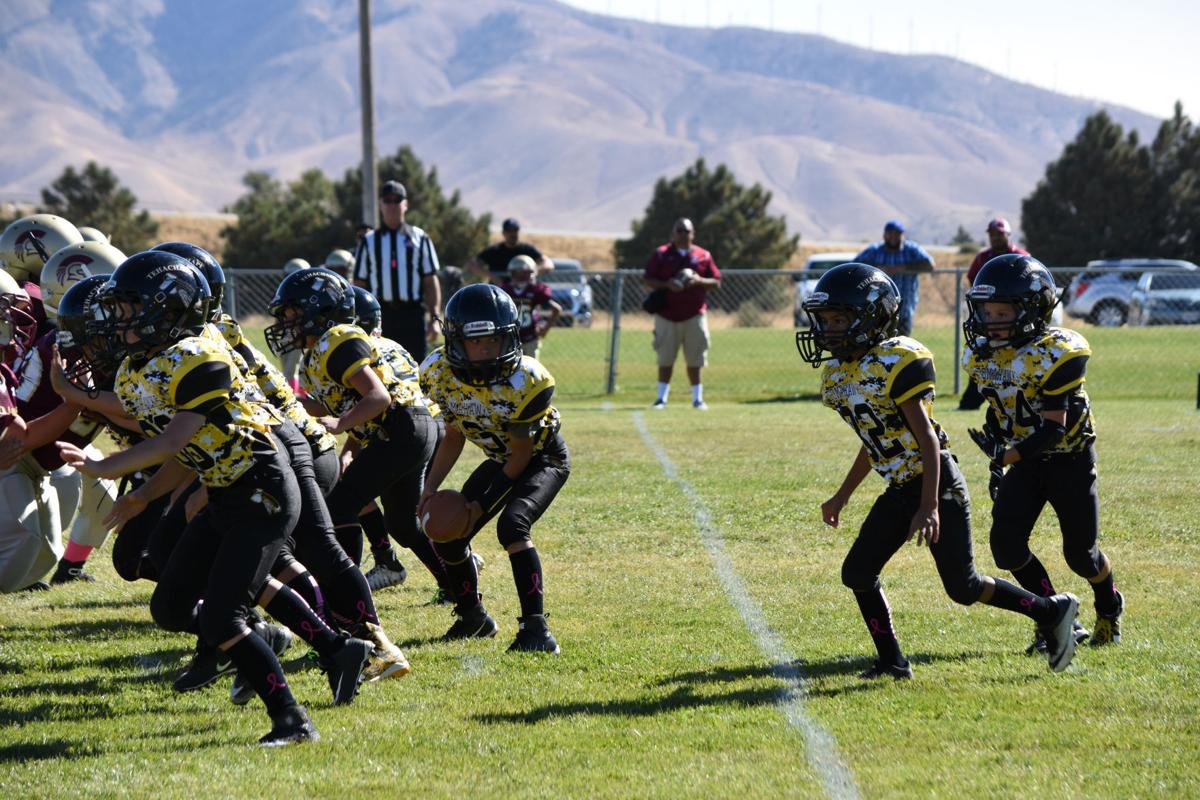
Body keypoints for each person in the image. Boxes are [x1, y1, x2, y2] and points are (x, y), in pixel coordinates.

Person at [60, 251, 373, 746]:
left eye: (127, 309)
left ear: (168, 310)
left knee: (221, 615)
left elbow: (172, 440)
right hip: (226, 491)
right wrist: (142, 497)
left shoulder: (199, 357)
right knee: (169, 606)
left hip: (263, 490)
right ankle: (335, 649)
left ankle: (292, 721)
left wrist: (103, 467)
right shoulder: (136, 371)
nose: (117, 323)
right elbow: (188, 454)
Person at [796, 262, 1081, 677]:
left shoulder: (896, 359)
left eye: (839, 319)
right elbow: (875, 440)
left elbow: (928, 440)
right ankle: (893, 662)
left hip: (937, 482)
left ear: (871, 317)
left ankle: (1049, 610)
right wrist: (843, 495)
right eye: (824, 320)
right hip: (900, 488)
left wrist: (929, 505)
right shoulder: (840, 374)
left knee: (962, 587)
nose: (828, 330)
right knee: (857, 571)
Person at [963, 253, 1123, 651]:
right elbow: (1001, 404)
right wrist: (998, 437)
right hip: (1026, 461)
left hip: (1068, 459)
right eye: (986, 311)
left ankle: (1109, 606)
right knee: (1006, 545)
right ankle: (1056, 614)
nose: (990, 320)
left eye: (1002, 312)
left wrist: (1006, 458)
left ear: (1033, 310)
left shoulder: (1058, 351)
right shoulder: (982, 355)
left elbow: (1054, 429)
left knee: (1081, 556)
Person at [419, 284, 569, 653]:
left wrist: (479, 506)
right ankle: (473, 617)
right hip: (502, 458)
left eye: (494, 341)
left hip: (542, 458)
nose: (486, 350)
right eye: (477, 342)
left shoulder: (528, 380)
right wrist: (429, 487)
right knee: (446, 532)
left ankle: (537, 630)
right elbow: (453, 434)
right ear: (456, 341)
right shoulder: (437, 372)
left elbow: (522, 455)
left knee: (512, 525)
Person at [351, 180, 442, 362]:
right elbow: (360, 283)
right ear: (381, 205)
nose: (392, 205)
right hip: (381, 316)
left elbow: (430, 281)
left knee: (415, 368)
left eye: (397, 200)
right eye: (388, 200)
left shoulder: (420, 238)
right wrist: (360, 320)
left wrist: (434, 318)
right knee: (381, 368)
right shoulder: (369, 241)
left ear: (405, 204)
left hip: (412, 315)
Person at [642, 217, 721, 410]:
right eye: (679, 230)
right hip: (667, 315)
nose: (683, 234)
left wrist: (698, 280)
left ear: (693, 234)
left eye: (686, 231)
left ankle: (697, 399)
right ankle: (662, 398)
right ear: (673, 233)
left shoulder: (703, 255)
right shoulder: (662, 254)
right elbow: (647, 279)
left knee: (695, 358)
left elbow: (716, 282)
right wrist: (667, 284)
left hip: (694, 314)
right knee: (665, 358)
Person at [958, 219, 1030, 410]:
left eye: (999, 234)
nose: (995, 238)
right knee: (984, 357)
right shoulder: (983, 257)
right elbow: (973, 280)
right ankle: (971, 402)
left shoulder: (1020, 255)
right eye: (992, 234)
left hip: (1013, 314)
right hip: (992, 312)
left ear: (1008, 235)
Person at [853, 220, 934, 337]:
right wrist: (876, 269)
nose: (893, 237)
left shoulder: (911, 249)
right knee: (876, 344)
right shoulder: (875, 251)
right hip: (876, 311)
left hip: (903, 309)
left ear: (902, 235)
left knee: (901, 346)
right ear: (884, 235)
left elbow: (930, 264)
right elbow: (855, 266)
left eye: (897, 233)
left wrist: (904, 268)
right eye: (890, 233)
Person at [498, 255, 561, 360]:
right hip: (510, 338)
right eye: (518, 274)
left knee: (531, 371)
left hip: (530, 337)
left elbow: (556, 309)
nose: (521, 277)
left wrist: (544, 330)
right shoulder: (505, 290)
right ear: (512, 274)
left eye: (524, 274)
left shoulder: (535, 290)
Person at [471, 218, 553, 284]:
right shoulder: (494, 250)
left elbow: (548, 264)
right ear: (503, 233)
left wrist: (534, 273)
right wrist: (491, 276)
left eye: (515, 230)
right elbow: (473, 264)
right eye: (509, 231)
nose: (512, 234)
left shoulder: (527, 249)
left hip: (523, 294)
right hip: (499, 292)